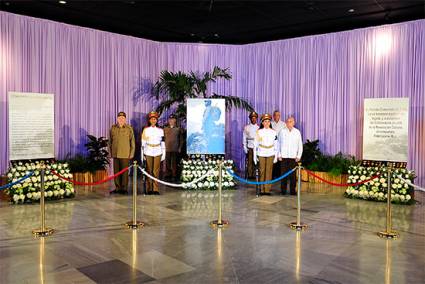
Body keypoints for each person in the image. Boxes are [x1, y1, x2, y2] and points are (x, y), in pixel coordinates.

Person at [109, 111, 135, 194]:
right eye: (119, 118)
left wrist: (131, 153)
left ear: (125, 119)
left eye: (123, 118)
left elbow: (132, 142)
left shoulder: (129, 128)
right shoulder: (113, 128)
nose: (121, 119)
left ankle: (124, 188)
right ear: (117, 119)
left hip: (125, 153)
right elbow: (110, 141)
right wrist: (110, 153)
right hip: (115, 153)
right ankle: (117, 188)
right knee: (116, 172)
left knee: (124, 172)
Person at [141, 111, 166, 195]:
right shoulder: (146, 130)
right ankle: (149, 189)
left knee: (156, 171)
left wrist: (164, 153)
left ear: (157, 120)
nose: (153, 120)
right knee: (149, 171)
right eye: (152, 119)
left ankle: (155, 189)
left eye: (155, 119)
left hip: (158, 151)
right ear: (149, 120)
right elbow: (143, 143)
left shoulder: (160, 130)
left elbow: (163, 142)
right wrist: (142, 154)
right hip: (148, 150)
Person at [277, 116, 303, 195]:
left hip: (293, 157)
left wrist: (298, 156)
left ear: (294, 123)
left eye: (291, 121)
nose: (289, 123)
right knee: (283, 175)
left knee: (293, 176)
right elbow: (278, 144)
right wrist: (279, 154)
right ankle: (283, 190)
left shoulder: (297, 132)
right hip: (284, 157)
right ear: (286, 123)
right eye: (287, 121)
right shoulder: (282, 132)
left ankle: (292, 190)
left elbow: (300, 145)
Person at [253, 113, 278, 195]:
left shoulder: (274, 132)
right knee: (262, 171)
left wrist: (276, 156)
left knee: (269, 172)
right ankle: (261, 188)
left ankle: (267, 189)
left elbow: (276, 144)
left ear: (270, 122)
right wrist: (254, 155)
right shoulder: (258, 132)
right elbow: (255, 144)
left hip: (271, 153)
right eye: (265, 121)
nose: (267, 123)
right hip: (261, 152)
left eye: (268, 121)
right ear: (262, 123)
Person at [163, 114, 183, 181]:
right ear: (168, 120)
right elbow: (163, 139)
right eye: (170, 119)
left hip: (175, 148)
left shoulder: (178, 129)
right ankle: (168, 174)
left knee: (174, 162)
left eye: (173, 119)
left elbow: (181, 139)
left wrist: (180, 147)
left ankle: (174, 174)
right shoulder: (165, 128)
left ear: (175, 120)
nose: (171, 121)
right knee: (167, 162)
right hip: (167, 148)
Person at [243, 111, 259, 179]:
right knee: (250, 162)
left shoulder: (259, 128)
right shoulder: (247, 127)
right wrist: (245, 148)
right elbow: (244, 138)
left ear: (256, 119)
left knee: (255, 161)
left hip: (257, 148)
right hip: (250, 147)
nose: (253, 119)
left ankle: (255, 174)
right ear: (250, 119)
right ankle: (250, 175)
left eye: (255, 118)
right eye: (252, 118)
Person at [271, 110, 286, 178]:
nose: (276, 116)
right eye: (275, 115)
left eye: (278, 115)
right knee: (273, 159)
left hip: (280, 144)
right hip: (272, 144)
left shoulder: (283, 124)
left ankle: (279, 175)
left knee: (280, 159)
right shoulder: (270, 123)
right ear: (273, 116)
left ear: (279, 116)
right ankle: (273, 174)